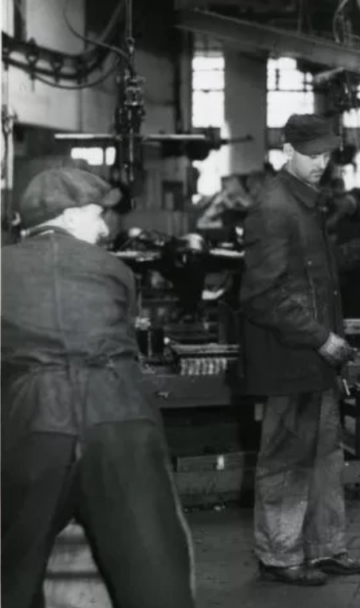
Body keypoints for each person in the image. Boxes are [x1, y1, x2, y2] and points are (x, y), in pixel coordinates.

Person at [1, 168, 195, 608]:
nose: (105, 228)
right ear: (69, 217)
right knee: (154, 577)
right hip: (119, 417)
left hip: (34, 422)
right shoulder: (114, 269)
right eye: (97, 215)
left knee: (11, 573)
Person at [240, 113, 360, 586]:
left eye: (326, 154)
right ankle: (279, 555)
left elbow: (315, 280)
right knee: (286, 458)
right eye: (312, 154)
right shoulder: (275, 207)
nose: (321, 163)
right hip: (291, 356)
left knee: (323, 456)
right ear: (287, 151)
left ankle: (324, 548)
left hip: (316, 359)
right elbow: (263, 294)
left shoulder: (305, 202)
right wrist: (320, 337)